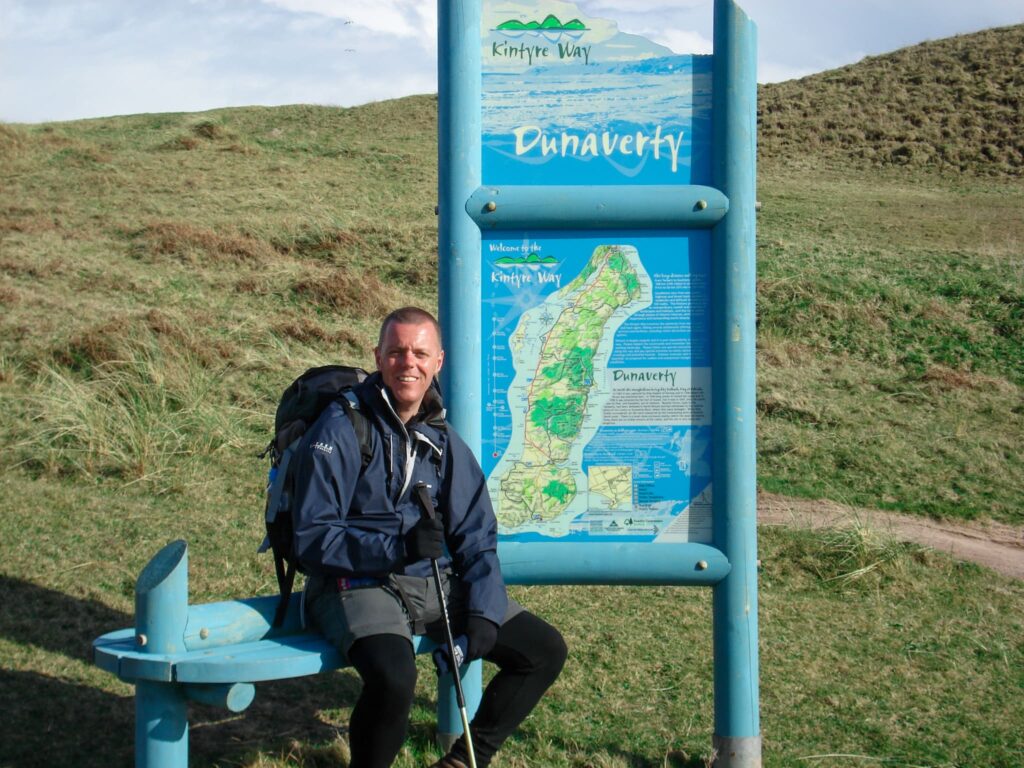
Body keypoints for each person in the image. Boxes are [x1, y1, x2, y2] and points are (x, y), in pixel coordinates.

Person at [291, 306, 567, 768]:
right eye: (397, 352)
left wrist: (483, 610)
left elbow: (476, 534)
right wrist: (396, 548)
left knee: (543, 650)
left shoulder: (441, 437)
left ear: (438, 362)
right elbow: (312, 537)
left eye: (420, 353)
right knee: (396, 679)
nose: (408, 363)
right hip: (355, 583)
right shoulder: (341, 428)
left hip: (431, 581)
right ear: (378, 357)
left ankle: (462, 761)